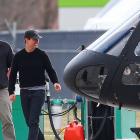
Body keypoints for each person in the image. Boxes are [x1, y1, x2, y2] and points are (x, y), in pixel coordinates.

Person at [8, 29, 61, 140]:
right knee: (30, 122)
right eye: (34, 39)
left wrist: (55, 82)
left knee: (33, 121)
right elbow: (12, 75)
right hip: (24, 92)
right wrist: (11, 91)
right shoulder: (18, 56)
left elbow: (50, 70)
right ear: (26, 40)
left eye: (38, 39)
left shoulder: (42, 55)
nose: (37, 41)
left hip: (39, 91)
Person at [0, 41, 16, 140]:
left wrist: (8, 76)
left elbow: (13, 64)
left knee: (7, 120)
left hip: (3, 89)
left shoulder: (5, 47)